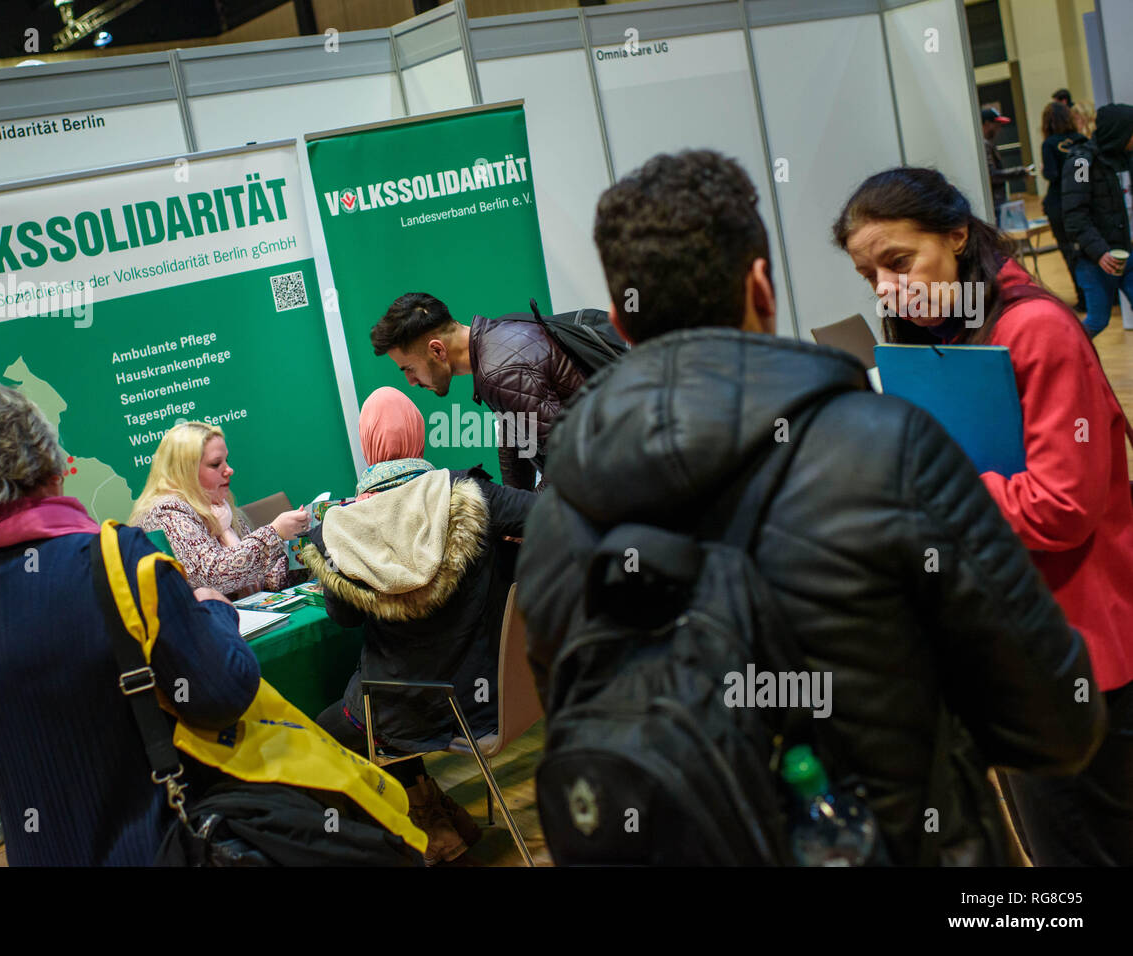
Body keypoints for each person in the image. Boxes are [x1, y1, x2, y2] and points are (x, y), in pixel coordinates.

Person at [516, 149, 1104, 866]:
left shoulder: (556, 508)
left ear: (620, 322)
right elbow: (1057, 721)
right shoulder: (889, 450)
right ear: (762, 286)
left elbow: (573, 707)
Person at [835, 165, 1133, 865]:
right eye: (869, 276)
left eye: (898, 262)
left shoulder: (1034, 331)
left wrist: (932, 482)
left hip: (1081, 649)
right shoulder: (952, 333)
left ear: (957, 235)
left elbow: (1062, 508)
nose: (886, 288)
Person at [0, 382, 259, 865]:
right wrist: (215, 611)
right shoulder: (119, 561)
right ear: (47, 462)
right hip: (153, 847)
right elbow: (221, 693)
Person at [301, 387, 536, 864]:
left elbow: (343, 617)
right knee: (389, 694)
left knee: (322, 729)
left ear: (367, 445)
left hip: (405, 710)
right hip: (489, 701)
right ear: (419, 436)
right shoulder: (473, 496)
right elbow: (548, 516)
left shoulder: (341, 528)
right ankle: (432, 811)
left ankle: (413, 827)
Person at [370, 292, 584, 491]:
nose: (411, 381)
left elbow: (569, 460)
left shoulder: (500, 371)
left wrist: (526, 517)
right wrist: (516, 506)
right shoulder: (496, 339)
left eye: (409, 368)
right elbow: (516, 440)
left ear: (437, 350)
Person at [130, 421, 308, 596]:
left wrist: (306, 548)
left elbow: (266, 580)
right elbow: (212, 576)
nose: (229, 470)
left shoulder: (220, 507)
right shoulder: (166, 512)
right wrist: (274, 533)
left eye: (226, 461)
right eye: (216, 464)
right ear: (185, 471)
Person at [1061, 103, 1133, 338]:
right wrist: (1100, 252)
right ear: (1119, 131)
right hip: (1096, 260)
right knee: (1098, 321)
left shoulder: (1127, 158)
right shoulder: (1081, 163)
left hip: (1128, 253)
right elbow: (1075, 216)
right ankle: (1063, 355)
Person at [1039, 100, 1088, 310]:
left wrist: (1043, 169)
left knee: (1069, 253)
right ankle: (1101, 296)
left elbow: (1051, 174)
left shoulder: (1049, 144)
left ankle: (1082, 297)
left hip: (1059, 204)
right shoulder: (1082, 141)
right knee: (1088, 249)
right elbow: (1084, 175)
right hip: (1083, 203)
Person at [982, 106, 1034, 219]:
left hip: (997, 201)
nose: (999, 128)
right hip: (994, 203)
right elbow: (992, 175)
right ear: (986, 123)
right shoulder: (984, 145)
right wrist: (1020, 172)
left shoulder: (988, 144)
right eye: (997, 124)